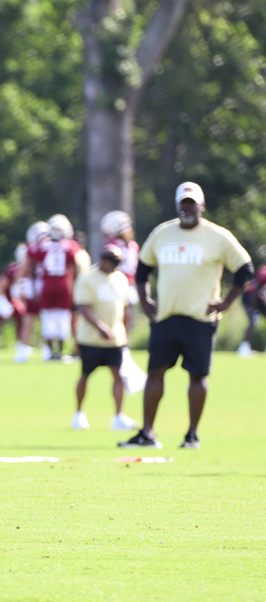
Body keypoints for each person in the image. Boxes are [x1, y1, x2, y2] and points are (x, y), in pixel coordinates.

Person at [119, 182, 253, 449]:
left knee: (197, 376)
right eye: (183, 203)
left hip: (200, 319)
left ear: (201, 206)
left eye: (192, 204)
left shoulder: (217, 235)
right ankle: (147, 433)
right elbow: (143, 269)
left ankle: (192, 435)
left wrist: (226, 302)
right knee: (155, 372)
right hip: (166, 317)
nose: (187, 208)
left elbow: (244, 268)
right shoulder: (162, 233)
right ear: (177, 205)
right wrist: (145, 301)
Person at [70, 245, 136, 431]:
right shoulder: (87, 278)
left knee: (118, 375)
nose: (116, 265)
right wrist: (99, 326)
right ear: (104, 260)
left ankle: (118, 416)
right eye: (113, 261)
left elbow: (124, 308)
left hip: (115, 339)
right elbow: (83, 306)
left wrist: (126, 334)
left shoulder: (121, 278)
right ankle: (79, 414)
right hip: (90, 339)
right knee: (85, 375)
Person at [19, 214, 82, 362]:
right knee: (62, 319)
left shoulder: (42, 246)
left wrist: (34, 288)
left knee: (47, 319)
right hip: (64, 286)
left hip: (46, 286)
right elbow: (76, 268)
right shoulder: (70, 246)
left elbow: (33, 268)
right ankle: (60, 352)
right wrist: (76, 286)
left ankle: (51, 353)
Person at [100, 210, 147, 391]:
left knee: (120, 323)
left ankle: (121, 352)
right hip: (127, 286)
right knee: (124, 324)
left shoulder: (116, 245)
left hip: (120, 287)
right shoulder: (131, 245)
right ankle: (122, 350)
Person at [14, 221, 49, 363]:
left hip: (39, 286)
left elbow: (24, 268)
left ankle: (25, 350)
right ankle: (46, 350)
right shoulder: (53, 247)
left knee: (32, 319)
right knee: (43, 319)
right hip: (45, 286)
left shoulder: (33, 249)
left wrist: (17, 284)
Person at [237, 266, 266, 357]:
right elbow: (255, 290)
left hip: (260, 298)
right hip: (249, 296)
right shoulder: (264, 274)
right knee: (253, 320)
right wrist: (253, 309)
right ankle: (243, 348)